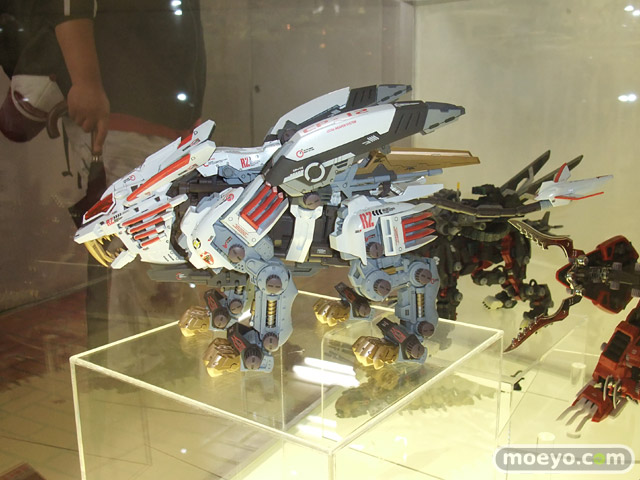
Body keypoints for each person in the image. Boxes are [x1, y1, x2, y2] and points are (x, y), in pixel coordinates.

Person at [51, 0, 207, 346]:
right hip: (125, 121)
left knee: (166, 267)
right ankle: (125, 371)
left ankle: (162, 365)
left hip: (167, 129)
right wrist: (85, 81)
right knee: (128, 263)